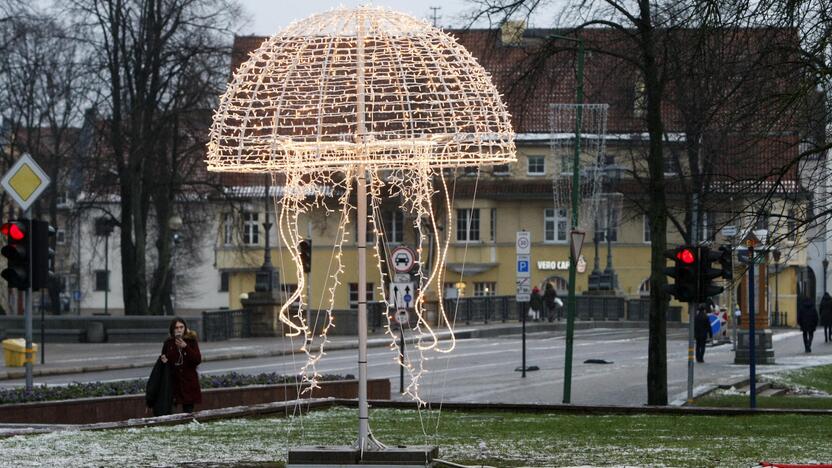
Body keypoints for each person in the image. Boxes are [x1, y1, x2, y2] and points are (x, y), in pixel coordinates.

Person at [160, 317, 202, 413]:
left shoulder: (191, 341)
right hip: (174, 381)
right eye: (176, 328)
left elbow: (197, 359)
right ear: (172, 329)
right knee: (171, 409)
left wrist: (185, 347)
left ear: (185, 328)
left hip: (188, 381)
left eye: (181, 327)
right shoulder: (168, 343)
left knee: (188, 410)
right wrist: (164, 360)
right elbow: (164, 359)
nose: (179, 330)